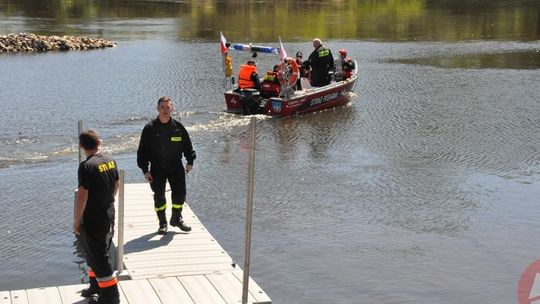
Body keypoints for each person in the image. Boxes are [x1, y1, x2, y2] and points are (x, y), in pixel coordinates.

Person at [137, 96, 196, 235]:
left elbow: (188, 146)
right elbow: (142, 152)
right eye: (162, 107)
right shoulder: (149, 128)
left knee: (180, 194)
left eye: (168, 107)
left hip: (176, 166)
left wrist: (190, 161)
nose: (165, 110)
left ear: (172, 109)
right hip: (157, 168)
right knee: (159, 196)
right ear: (158, 109)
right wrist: (145, 170)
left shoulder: (179, 127)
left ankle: (176, 218)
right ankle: (162, 223)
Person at [73, 130, 120, 304]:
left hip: (94, 217)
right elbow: (116, 183)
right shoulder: (109, 160)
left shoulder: (86, 166)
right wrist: (109, 200)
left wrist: (77, 221)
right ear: (99, 142)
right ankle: (95, 286)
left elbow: (82, 195)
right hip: (108, 212)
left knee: (99, 255)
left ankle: (111, 296)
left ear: (81, 146)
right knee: (93, 251)